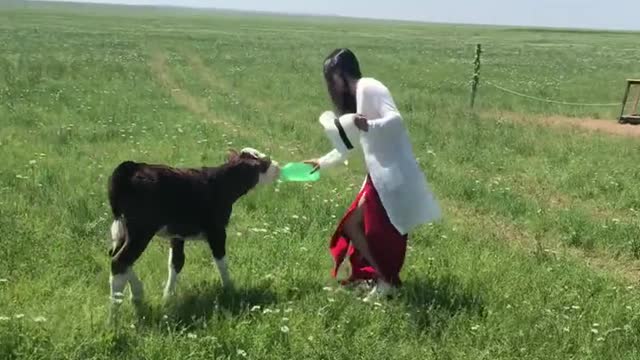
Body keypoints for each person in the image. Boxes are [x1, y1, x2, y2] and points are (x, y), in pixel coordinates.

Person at [304, 48, 441, 301]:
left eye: (331, 78)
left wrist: (369, 125)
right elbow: (349, 146)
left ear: (340, 75)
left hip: (390, 176)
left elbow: (396, 120)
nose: (332, 86)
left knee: (377, 231)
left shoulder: (369, 87)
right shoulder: (359, 97)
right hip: (378, 178)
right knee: (352, 225)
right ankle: (381, 277)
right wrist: (321, 163)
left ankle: (386, 282)